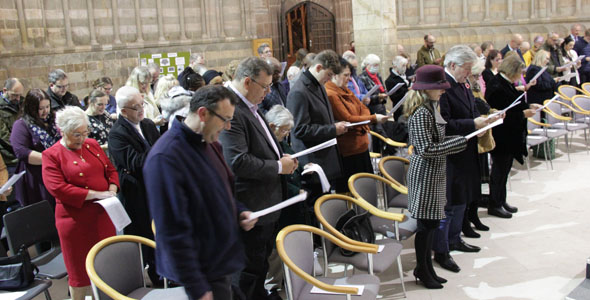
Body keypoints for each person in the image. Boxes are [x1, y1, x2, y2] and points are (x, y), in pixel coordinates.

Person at [144, 85, 257, 300]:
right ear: (203, 113)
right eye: (225, 119)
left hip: (221, 261)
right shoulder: (166, 157)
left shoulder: (210, 143)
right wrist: (197, 286)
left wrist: (238, 211)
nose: (228, 126)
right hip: (200, 271)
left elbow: (220, 191)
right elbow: (171, 230)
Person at [218, 57, 297, 300]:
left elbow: (258, 144)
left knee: (257, 268)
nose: (268, 92)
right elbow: (237, 161)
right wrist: (276, 166)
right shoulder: (229, 107)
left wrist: (277, 154)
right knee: (247, 274)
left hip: (263, 204)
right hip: (249, 204)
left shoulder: (247, 104)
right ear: (247, 81)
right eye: (265, 86)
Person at [42, 105, 119, 300]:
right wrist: (96, 194)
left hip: (102, 216)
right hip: (75, 222)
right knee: (80, 275)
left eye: (85, 133)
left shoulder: (92, 145)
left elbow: (110, 170)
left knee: (106, 268)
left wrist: (112, 188)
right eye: (77, 134)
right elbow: (58, 189)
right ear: (63, 131)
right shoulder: (52, 155)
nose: (82, 139)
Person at [403, 65, 467, 289]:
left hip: (435, 172)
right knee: (426, 225)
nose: (442, 91)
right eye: (438, 87)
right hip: (425, 175)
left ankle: (427, 267)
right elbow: (425, 148)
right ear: (426, 89)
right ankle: (422, 268)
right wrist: (458, 141)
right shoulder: (421, 113)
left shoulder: (431, 107)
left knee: (431, 224)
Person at [436, 45, 494, 274]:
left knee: (462, 199)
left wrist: (480, 121)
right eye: (466, 69)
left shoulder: (462, 83)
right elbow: (444, 124)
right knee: (450, 204)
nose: (468, 74)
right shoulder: (442, 87)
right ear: (452, 65)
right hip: (451, 154)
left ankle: (455, 238)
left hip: (466, 148)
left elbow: (470, 109)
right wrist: (472, 124)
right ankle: (442, 249)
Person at [108, 86, 161, 282]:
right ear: (123, 111)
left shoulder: (147, 124)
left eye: (142, 104)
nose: (141, 109)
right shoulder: (116, 134)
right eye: (136, 107)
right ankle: (155, 276)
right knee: (146, 237)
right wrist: (158, 151)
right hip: (136, 194)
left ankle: (166, 272)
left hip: (155, 188)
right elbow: (136, 164)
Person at [486, 55, 542, 219]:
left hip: (510, 136)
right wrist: (523, 113)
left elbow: (514, 103)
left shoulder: (506, 83)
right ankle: (494, 204)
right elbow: (500, 114)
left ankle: (501, 200)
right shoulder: (496, 85)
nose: (522, 76)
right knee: (498, 171)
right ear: (513, 70)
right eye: (520, 72)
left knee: (505, 171)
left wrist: (529, 106)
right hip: (502, 136)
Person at [287, 50, 348, 196]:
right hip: (312, 159)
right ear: (319, 67)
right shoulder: (299, 91)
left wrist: (336, 124)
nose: (330, 79)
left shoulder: (318, 84)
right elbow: (300, 130)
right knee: (318, 205)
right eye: (329, 74)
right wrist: (333, 129)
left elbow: (322, 117)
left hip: (325, 156)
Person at [326, 57, 389, 182]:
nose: (349, 79)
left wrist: (364, 118)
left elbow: (363, 108)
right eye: (346, 75)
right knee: (357, 186)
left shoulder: (345, 89)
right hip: (349, 148)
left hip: (360, 144)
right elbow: (348, 118)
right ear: (334, 75)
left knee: (367, 184)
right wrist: (373, 118)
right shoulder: (331, 93)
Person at [10, 89, 60, 207]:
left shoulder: (53, 120)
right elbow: (21, 152)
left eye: (47, 106)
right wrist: (51, 159)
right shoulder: (21, 124)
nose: (45, 111)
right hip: (36, 175)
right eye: (41, 108)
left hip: (55, 171)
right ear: (31, 108)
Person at [0, 78, 24, 169]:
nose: (18, 99)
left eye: (20, 95)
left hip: (24, 152)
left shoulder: (22, 102)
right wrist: (21, 148)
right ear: (5, 90)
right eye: (15, 95)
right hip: (11, 157)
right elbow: (4, 135)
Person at [385, 55, 411, 120]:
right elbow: (394, 97)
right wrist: (407, 90)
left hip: (409, 106)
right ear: (395, 66)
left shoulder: (404, 76)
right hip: (400, 110)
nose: (405, 68)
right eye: (403, 66)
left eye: (405, 65)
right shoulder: (390, 80)